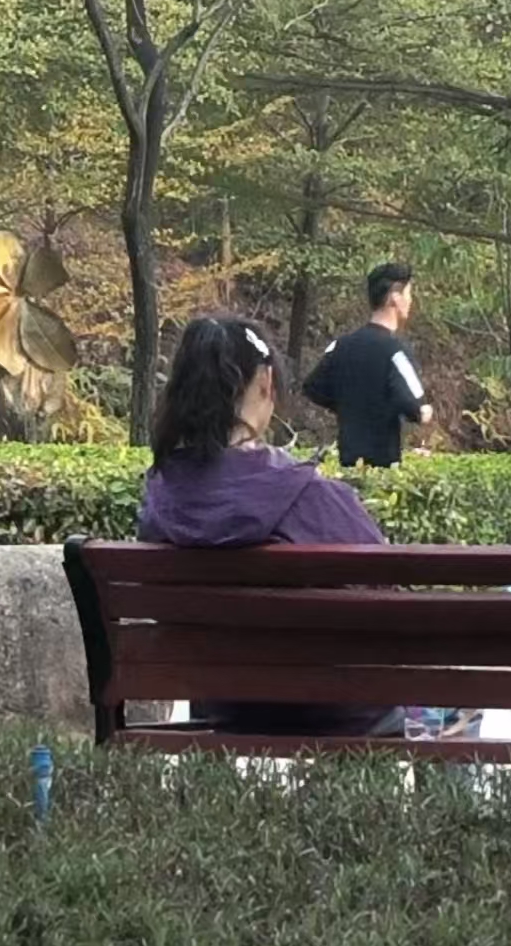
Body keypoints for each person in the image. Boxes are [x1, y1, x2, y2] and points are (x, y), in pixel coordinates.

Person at [139, 316, 401, 737]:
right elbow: (389, 601)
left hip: (226, 709)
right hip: (337, 713)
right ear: (265, 383)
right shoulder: (309, 495)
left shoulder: (160, 501)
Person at [303, 261, 431, 468]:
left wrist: (347, 405)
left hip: (346, 465)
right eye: (408, 294)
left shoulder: (341, 345)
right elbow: (417, 408)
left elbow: (312, 387)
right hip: (383, 470)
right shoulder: (395, 350)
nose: (410, 300)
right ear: (395, 298)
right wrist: (420, 411)